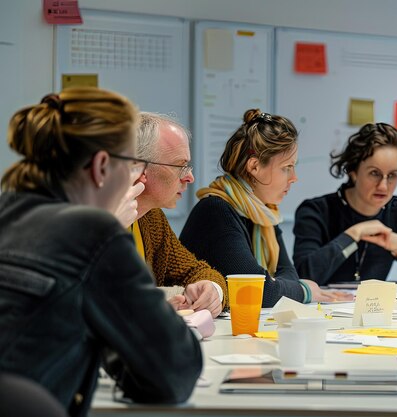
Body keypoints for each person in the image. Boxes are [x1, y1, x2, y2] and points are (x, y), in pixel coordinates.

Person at [0, 88, 201, 417]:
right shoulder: (93, 233)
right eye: (131, 165)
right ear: (102, 165)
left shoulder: (8, 211)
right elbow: (176, 371)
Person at [180, 109, 351, 307]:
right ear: (254, 167)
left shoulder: (265, 213)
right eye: (287, 167)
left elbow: (288, 274)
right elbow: (258, 291)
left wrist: (285, 286)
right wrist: (303, 291)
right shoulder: (216, 210)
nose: (294, 177)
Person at [292, 122, 397, 286]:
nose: (383, 186)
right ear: (353, 172)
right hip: (321, 310)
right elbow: (303, 276)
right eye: (374, 173)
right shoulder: (316, 211)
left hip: (375, 309)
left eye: (392, 175)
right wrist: (353, 235)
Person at [123, 112, 227, 317]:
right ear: (140, 168)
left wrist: (212, 289)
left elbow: (194, 271)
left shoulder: (151, 218)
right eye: (180, 166)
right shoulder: (88, 219)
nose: (190, 177)